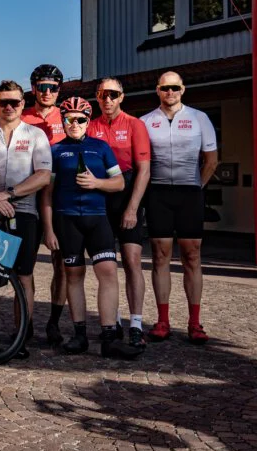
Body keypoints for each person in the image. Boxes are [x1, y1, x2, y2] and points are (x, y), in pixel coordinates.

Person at [40, 98, 140, 359]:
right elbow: (47, 194)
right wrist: (48, 229)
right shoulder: (55, 151)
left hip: (98, 218)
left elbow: (118, 183)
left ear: (88, 120)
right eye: (69, 119)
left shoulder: (101, 147)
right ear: (63, 121)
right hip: (66, 219)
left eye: (80, 119)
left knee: (108, 272)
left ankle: (109, 338)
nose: (74, 124)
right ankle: (79, 335)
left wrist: (96, 183)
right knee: (73, 276)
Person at [0, 80, 52, 356]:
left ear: (22, 103)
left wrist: (9, 194)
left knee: (24, 276)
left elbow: (42, 175)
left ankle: (20, 338)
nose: (8, 107)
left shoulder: (37, 135)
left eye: (14, 102)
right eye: (3, 102)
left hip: (25, 213)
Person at [141, 72, 218, 344]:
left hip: (189, 192)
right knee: (160, 256)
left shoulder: (199, 118)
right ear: (158, 90)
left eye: (175, 87)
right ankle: (163, 321)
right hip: (158, 193)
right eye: (165, 88)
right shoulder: (146, 122)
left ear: (182, 89)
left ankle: (194, 323)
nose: (170, 92)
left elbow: (211, 160)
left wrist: (197, 187)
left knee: (192, 256)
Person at [89, 78, 151, 349]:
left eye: (113, 94)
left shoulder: (135, 125)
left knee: (132, 260)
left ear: (122, 97)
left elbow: (144, 170)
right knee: (106, 264)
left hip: (127, 196)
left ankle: (136, 323)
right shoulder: (91, 126)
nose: (108, 99)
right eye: (103, 94)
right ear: (97, 96)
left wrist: (133, 208)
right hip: (100, 197)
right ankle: (112, 322)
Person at [22, 63, 70, 346]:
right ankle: (25, 323)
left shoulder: (68, 117)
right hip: (30, 196)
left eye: (53, 88)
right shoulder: (22, 116)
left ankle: (53, 321)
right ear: (33, 89)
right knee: (25, 265)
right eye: (43, 87)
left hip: (59, 197)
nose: (48, 92)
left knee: (61, 263)